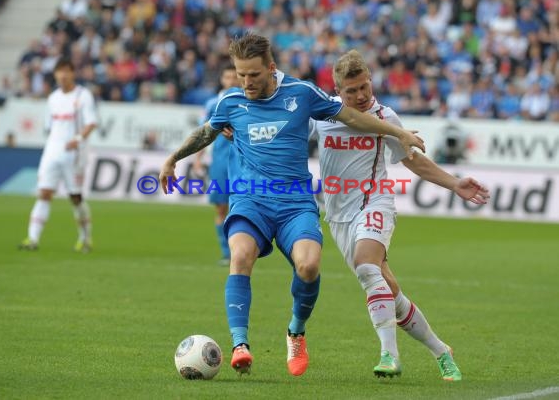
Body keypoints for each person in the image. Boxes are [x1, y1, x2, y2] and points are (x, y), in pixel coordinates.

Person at [159, 33, 425, 377]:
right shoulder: (232, 101)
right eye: (240, 74)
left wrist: (398, 133)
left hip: (295, 202)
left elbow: (353, 118)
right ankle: (240, 344)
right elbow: (206, 132)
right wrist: (172, 159)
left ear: (271, 68)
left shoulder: (301, 94)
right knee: (239, 256)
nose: (246, 82)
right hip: (250, 198)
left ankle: (296, 331)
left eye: (253, 74)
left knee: (309, 267)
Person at [310, 50, 490, 381]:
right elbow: (292, 142)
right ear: (338, 90)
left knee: (367, 266)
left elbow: (412, 160)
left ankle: (389, 355)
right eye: (352, 91)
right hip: (337, 215)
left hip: (375, 202)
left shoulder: (385, 117)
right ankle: (440, 350)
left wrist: (454, 184)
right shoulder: (322, 117)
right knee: (388, 289)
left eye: (365, 86)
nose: (361, 95)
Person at [19, 58, 98, 252]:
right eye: (59, 71)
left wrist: (78, 139)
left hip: (75, 154)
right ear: (55, 74)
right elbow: (50, 127)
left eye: (66, 71)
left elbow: (91, 123)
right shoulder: (53, 98)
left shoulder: (83, 95)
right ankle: (32, 238)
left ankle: (85, 238)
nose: (62, 75)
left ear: (72, 73)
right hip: (52, 151)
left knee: (75, 197)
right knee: (44, 193)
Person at [193, 65, 239, 267]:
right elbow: (204, 132)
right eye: (227, 76)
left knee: (240, 208)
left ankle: (240, 250)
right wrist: (197, 158)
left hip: (242, 161)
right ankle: (226, 252)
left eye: (234, 76)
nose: (230, 80)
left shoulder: (246, 101)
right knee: (221, 208)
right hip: (220, 162)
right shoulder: (213, 103)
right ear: (222, 79)